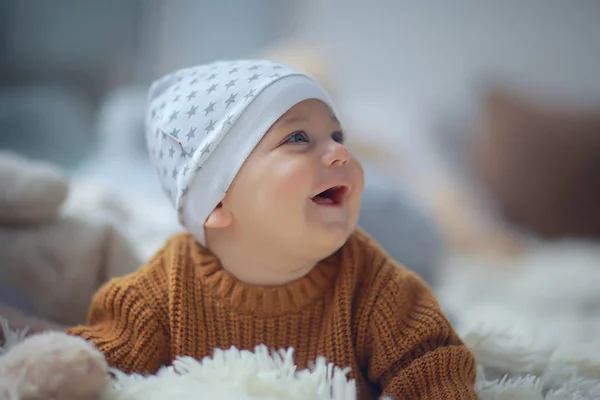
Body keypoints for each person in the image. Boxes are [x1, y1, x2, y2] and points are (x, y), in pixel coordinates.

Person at [67, 59, 477, 399]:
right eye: (298, 137)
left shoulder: (373, 283)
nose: (338, 152)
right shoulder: (162, 292)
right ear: (218, 202)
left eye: (336, 134)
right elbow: (99, 361)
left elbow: (430, 363)